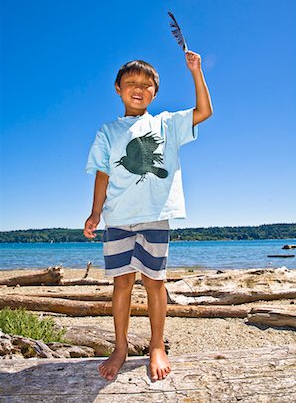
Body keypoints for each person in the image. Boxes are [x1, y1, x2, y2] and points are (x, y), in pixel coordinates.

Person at [83, 51, 213, 381]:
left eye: (146, 85)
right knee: (122, 284)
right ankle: (121, 347)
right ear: (117, 88)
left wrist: (196, 72)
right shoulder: (108, 131)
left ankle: (157, 345)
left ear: (155, 91)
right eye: (131, 84)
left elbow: (204, 111)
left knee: (155, 283)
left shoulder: (166, 123)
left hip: (156, 215)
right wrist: (95, 213)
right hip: (119, 218)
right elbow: (102, 174)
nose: (138, 88)